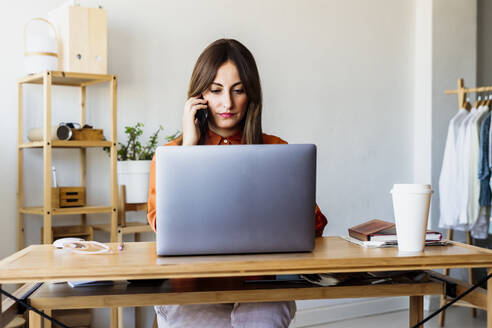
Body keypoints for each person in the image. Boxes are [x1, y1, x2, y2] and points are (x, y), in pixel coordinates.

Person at [147, 38, 327, 328]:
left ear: (251, 94)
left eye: (238, 90)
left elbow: (313, 225)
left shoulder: (276, 149)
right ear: (199, 95)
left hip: (260, 288)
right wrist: (189, 150)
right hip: (191, 289)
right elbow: (163, 225)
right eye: (216, 91)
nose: (227, 103)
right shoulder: (172, 155)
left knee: (264, 317)